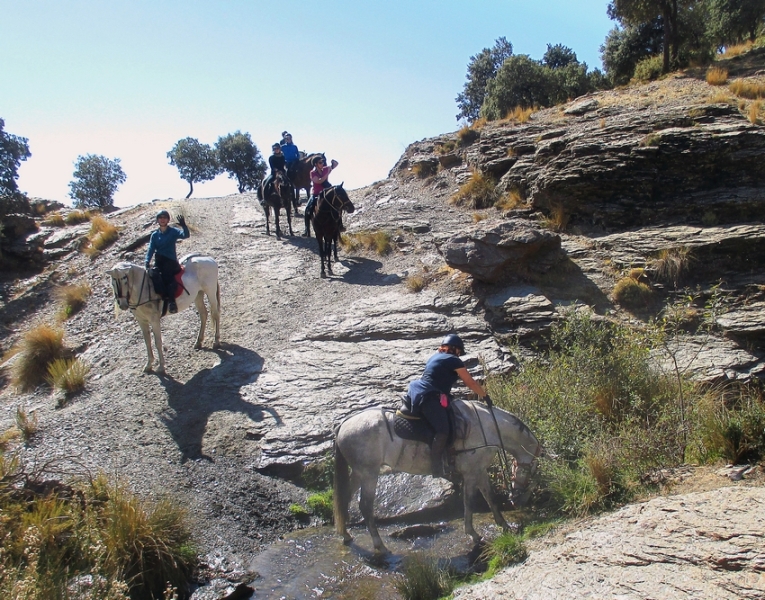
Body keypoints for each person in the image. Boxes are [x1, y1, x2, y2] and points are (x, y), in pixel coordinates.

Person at [407, 334, 493, 478]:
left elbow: (437, 379)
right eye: (459, 351)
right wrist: (485, 396)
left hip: (418, 391)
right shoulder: (454, 360)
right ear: (455, 349)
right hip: (428, 396)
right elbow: (470, 382)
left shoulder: (434, 357)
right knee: (443, 430)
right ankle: (436, 467)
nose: (459, 354)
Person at [144, 210, 189, 314]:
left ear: (168, 220)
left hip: (171, 261)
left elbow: (185, 235)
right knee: (153, 275)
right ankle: (158, 298)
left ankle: (172, 302)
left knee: (167, 275)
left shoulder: (173, 231)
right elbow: (151, 249)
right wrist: (147, 261)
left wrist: (184, 226)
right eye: (160, 218)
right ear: (157, 220)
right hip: (159, 261)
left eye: (165, 218)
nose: (162, 220)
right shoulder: (154, 235)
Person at [304, 155, 339, 236]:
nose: (322, 163)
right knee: (307, 209)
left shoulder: (326, 169)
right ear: (315, 164)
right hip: (316, 193)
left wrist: (333, 163)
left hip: (326, 193)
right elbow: (318, 181)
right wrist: (326, 174)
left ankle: (339, 225)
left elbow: (336, 164)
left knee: (336, 206)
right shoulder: (312, 173)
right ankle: (307, 229)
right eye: (320, 162)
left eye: (322, 162)